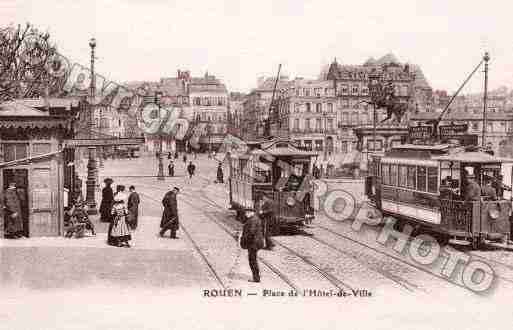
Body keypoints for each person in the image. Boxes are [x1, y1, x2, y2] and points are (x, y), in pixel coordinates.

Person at [240, 210, 264, 283]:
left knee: (252, 260)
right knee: (253, 260)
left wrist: (244, 240)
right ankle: (256, 276)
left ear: (251, 212)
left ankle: (256, 278)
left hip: (253, 243)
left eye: (247, 212)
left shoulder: (253, 220)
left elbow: (251, 232)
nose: (246, 214)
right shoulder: (254, 219)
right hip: (255, 242)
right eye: (245, 212)